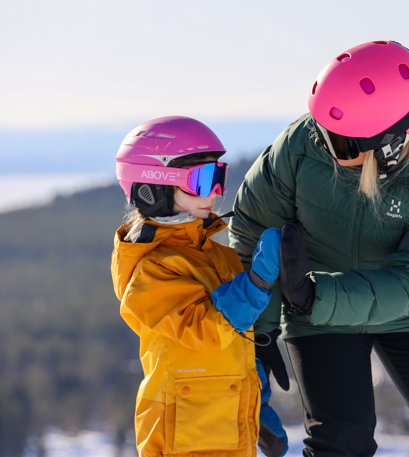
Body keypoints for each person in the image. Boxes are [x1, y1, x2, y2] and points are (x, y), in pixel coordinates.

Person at [229, 41, 409, 457]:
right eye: (321, 130)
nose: (323, 143)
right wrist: (260, 332)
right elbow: (253, 231)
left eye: (339, 143)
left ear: (390, 144)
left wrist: (316, 296)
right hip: (313, 303)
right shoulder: (301, 145)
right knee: (341, 442)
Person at [111, 116, 288, 457]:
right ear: (154, 187)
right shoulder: (150, 269)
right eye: (202, 180)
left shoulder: (220, 257)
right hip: (181, 433)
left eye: (217, 177)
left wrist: (257, 400)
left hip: (229, 426)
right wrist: (257, 283)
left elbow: (236, 342)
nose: (216, 192)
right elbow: (208, 328)